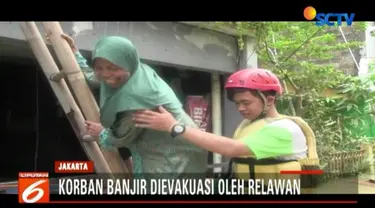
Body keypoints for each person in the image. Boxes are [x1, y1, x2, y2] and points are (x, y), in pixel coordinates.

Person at [132, 68, 320, 189]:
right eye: (237, 103)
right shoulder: (251, 125)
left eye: (246, 102)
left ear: (269, 100)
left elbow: (231, 149)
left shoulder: (284, 130)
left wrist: (173, 126)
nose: (240, 108)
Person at [60, 34, 208, 179]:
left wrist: (102, 132)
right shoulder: (134, 72)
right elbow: (94, 77)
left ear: (127, 63)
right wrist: (73, 52)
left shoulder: (140, 97)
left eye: (112, 67)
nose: (106, 74)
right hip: (164, 141)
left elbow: (123, 137)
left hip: (174, 150)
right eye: (99, 67)